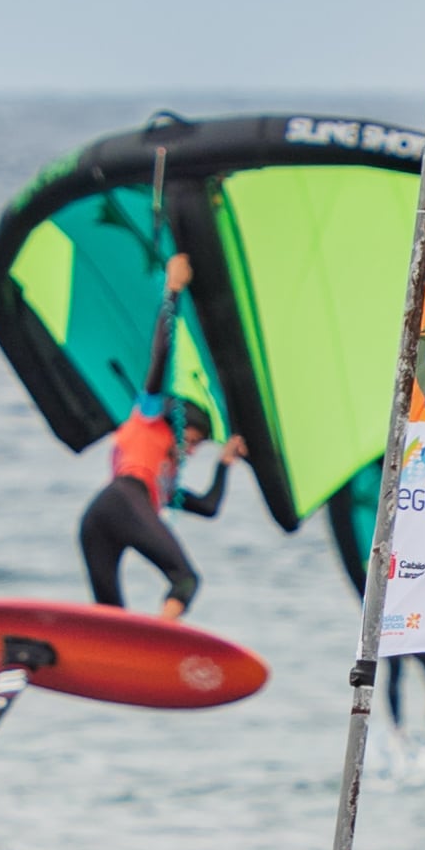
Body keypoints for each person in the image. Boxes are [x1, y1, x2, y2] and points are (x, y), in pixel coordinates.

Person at [77, 254, 248, 619]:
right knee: (185, 579)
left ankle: (119, 664)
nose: (193, 448)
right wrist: (172, 292)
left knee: (111, 615)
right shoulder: (149, 418)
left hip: (103, 516)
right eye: (195, 438)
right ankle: (160, 639)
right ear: (178, 422)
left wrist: (224, 465)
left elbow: (207, 507)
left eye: (200, 445)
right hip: (119, 499)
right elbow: (160, 356)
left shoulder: (165, 484)